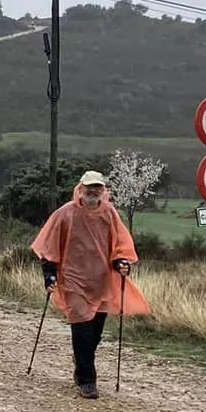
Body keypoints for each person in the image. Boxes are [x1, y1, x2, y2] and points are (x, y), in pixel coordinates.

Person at [31, 169, 149, 399]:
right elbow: (50, 246)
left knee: (94, 333)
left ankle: (81, 360)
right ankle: (87, 381)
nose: (93, 191)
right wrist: (49, 274)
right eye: (89, 187)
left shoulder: (110, 214)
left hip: (101, 281)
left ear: (102, 190)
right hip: (73, 280)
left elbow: (119, 244)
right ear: (81, 189)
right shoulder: (65, 213)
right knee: (81, 328)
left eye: (97, 187)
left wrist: (121, 263)